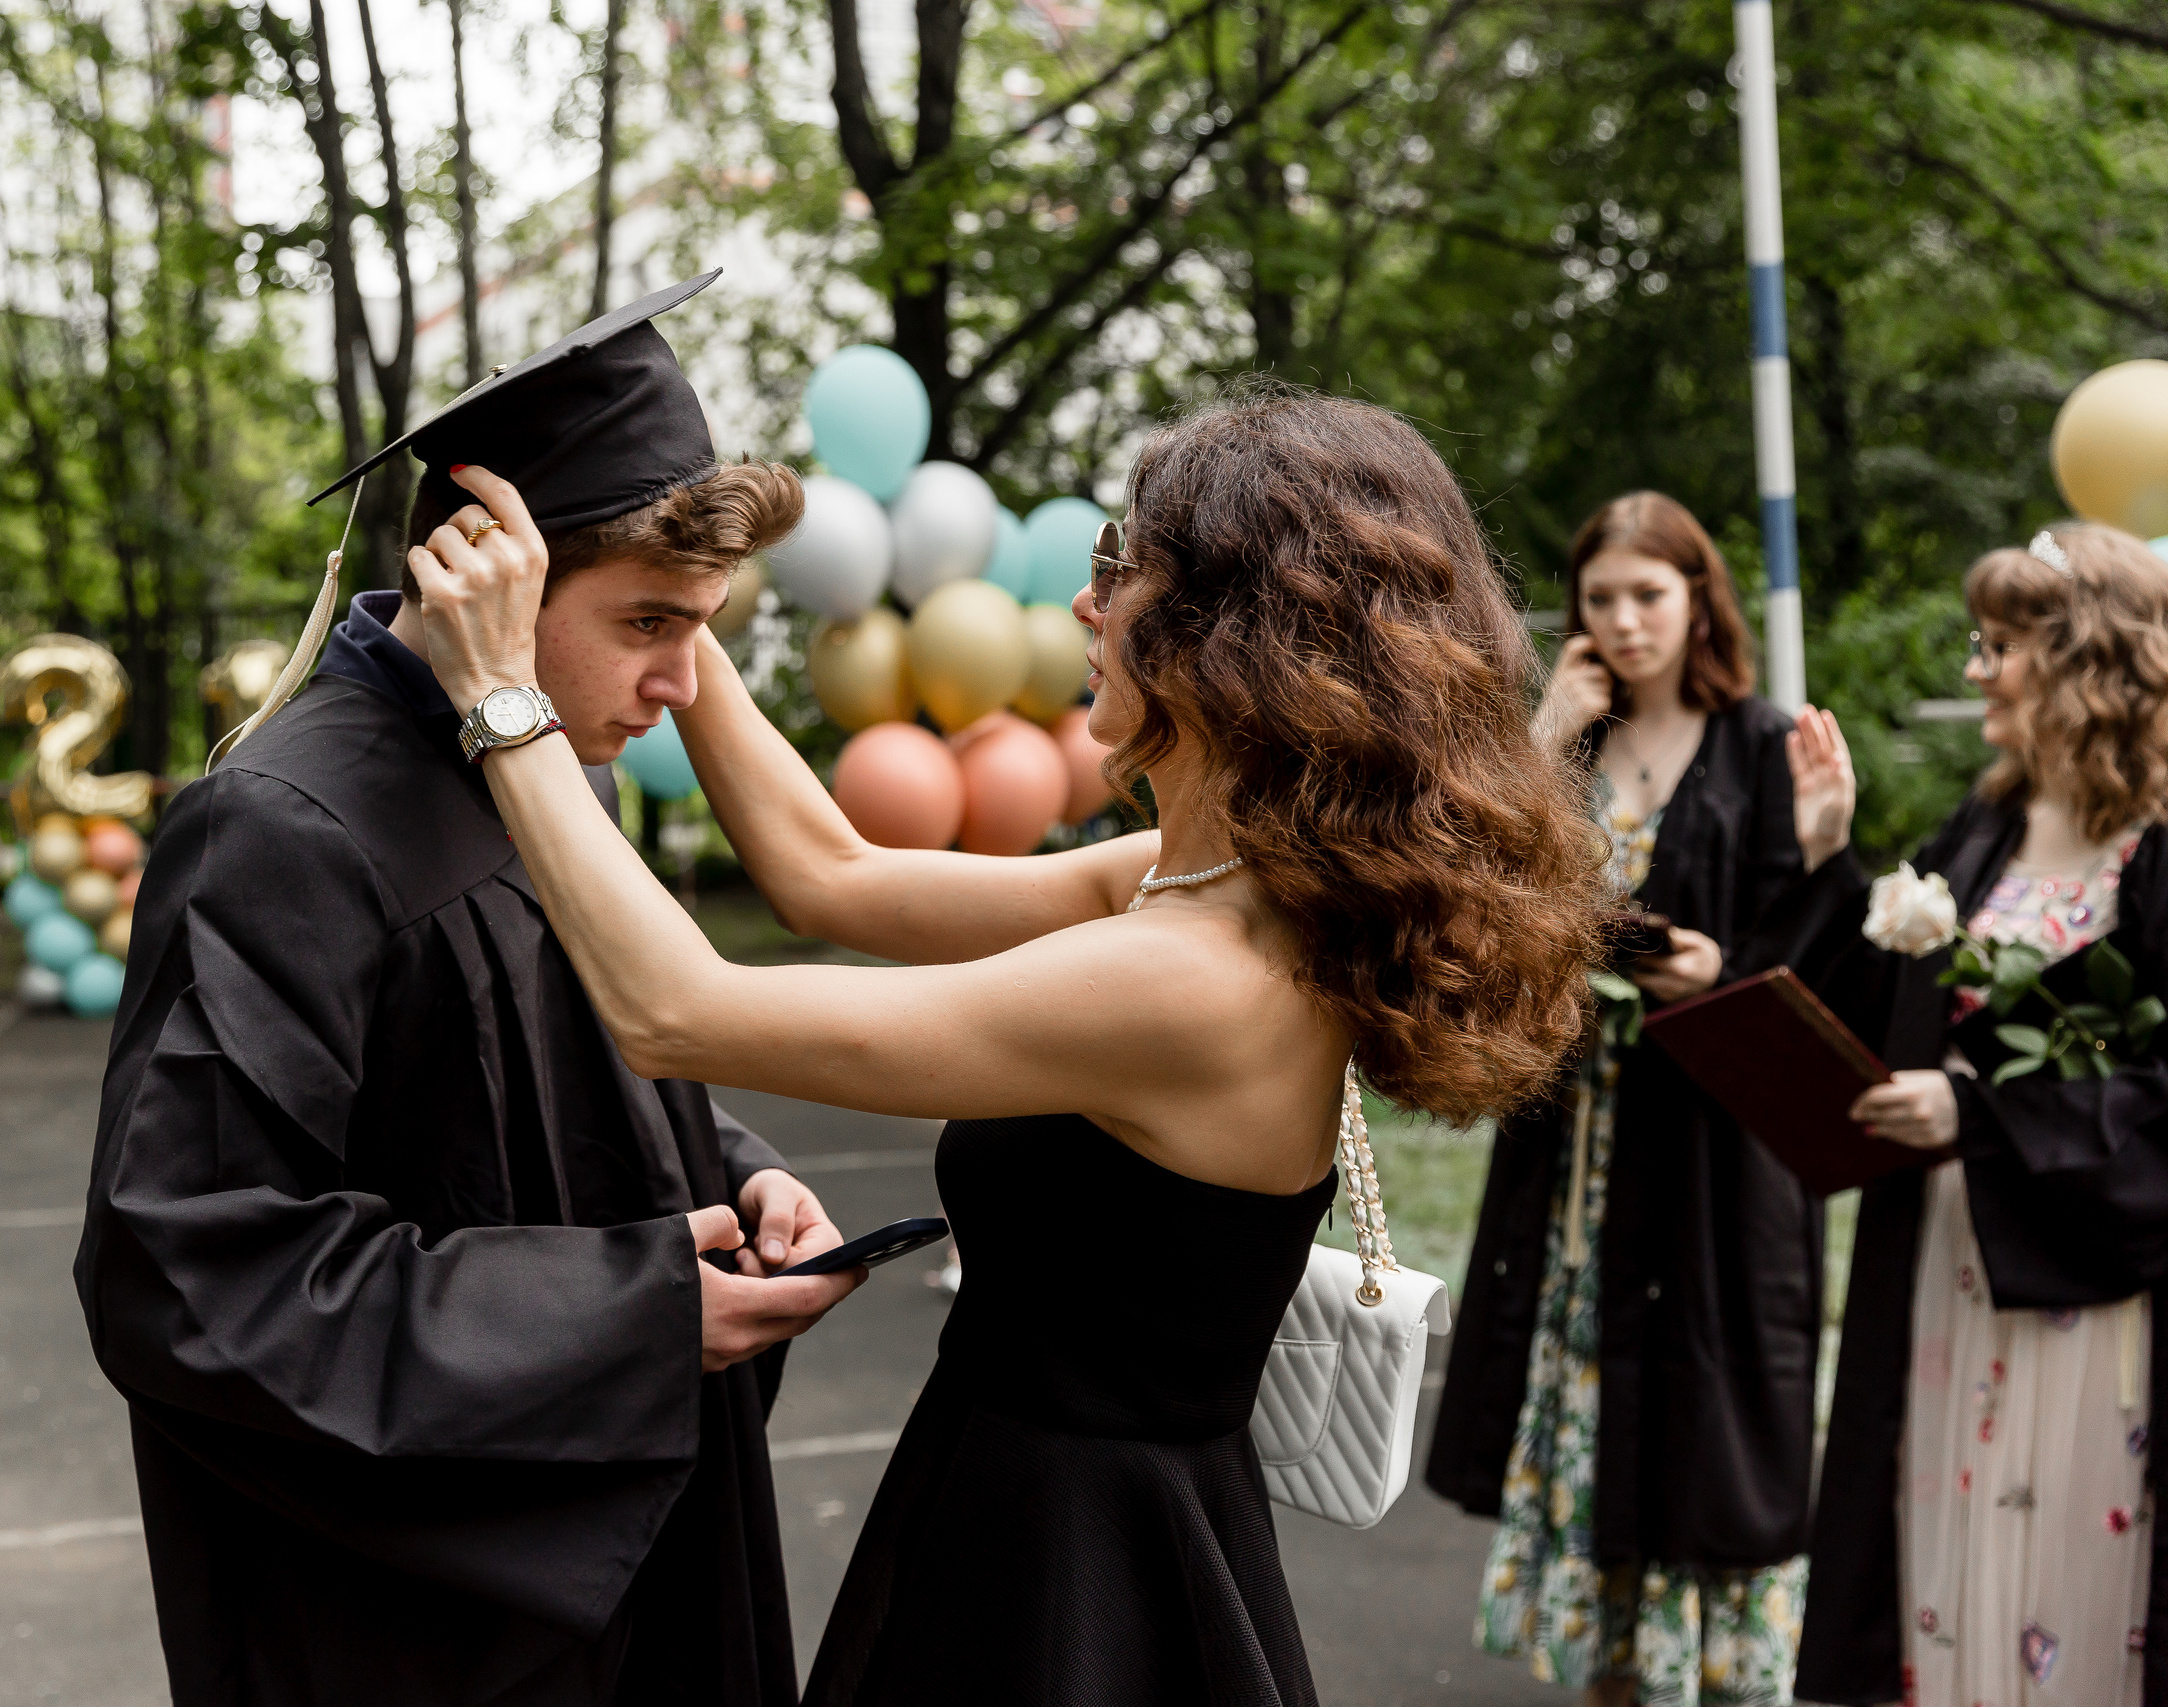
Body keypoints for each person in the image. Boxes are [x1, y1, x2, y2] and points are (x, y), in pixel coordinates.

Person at [406, 385, 1610, 1705]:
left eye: (1126, 573)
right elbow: (833, 871)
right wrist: (680, 631)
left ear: (1231, 641)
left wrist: (503, 693)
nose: (1088, 611)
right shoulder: (1202, 880)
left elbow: (676, 1008)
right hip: (1033, 1506)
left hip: (1072, 1577)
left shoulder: (1190, 979)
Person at [76, 274, 864, 1707]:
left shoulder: (538, 769)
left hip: (624, 1530)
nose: (685, 681)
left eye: (706, 625)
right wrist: (635, 1312)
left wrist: (729, 1170)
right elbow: (190, 1273)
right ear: (478, 573)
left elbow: (550, 1087)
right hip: (425, 1614)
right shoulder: (284, 824)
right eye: (649, 621)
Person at [1426, 491, 1825, 1706]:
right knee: (1590, 1378)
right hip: (1582, 1137)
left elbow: (1811, 951)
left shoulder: (1762, 744)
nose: (1624, 618)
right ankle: (1607, 1669)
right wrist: (1547, 729)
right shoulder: (1578, 744)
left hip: (1706, 1144)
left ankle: (1703, 1668)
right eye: (1600, 598)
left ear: (1697, 597)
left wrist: (1726, 968)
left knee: (1703, 1399)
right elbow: (1478, 881)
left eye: (1647, 594)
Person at [1776, 522, 2168, 1707]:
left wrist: (1979, 1122)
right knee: (1934, 1580)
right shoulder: (1982, 830)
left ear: (2084, 661)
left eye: (1997, 646)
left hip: (2090, 1298)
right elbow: (1903, 1026)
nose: (1972, 670)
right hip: (1948, 1281)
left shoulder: (2154, 848)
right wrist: (1832, 857)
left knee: (2077, 1587)